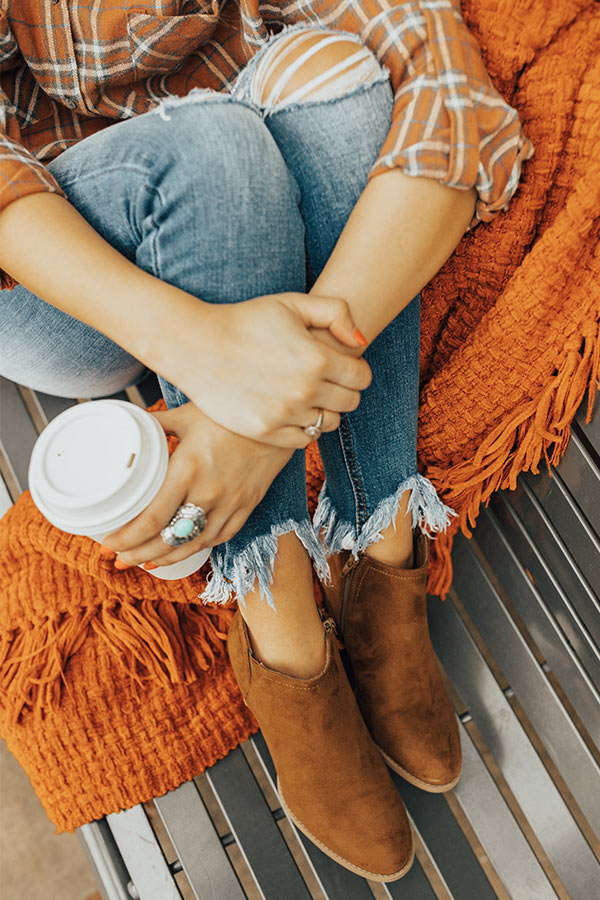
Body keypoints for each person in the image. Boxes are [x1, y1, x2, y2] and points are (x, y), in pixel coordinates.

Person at [0, 1, 532, 881]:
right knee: (215, 143)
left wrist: (241, 429)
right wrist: (196, 346)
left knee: (341, 70)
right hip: (69, 265)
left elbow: (445, 91)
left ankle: (380, 549)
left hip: (260, 175)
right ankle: (284, 629)